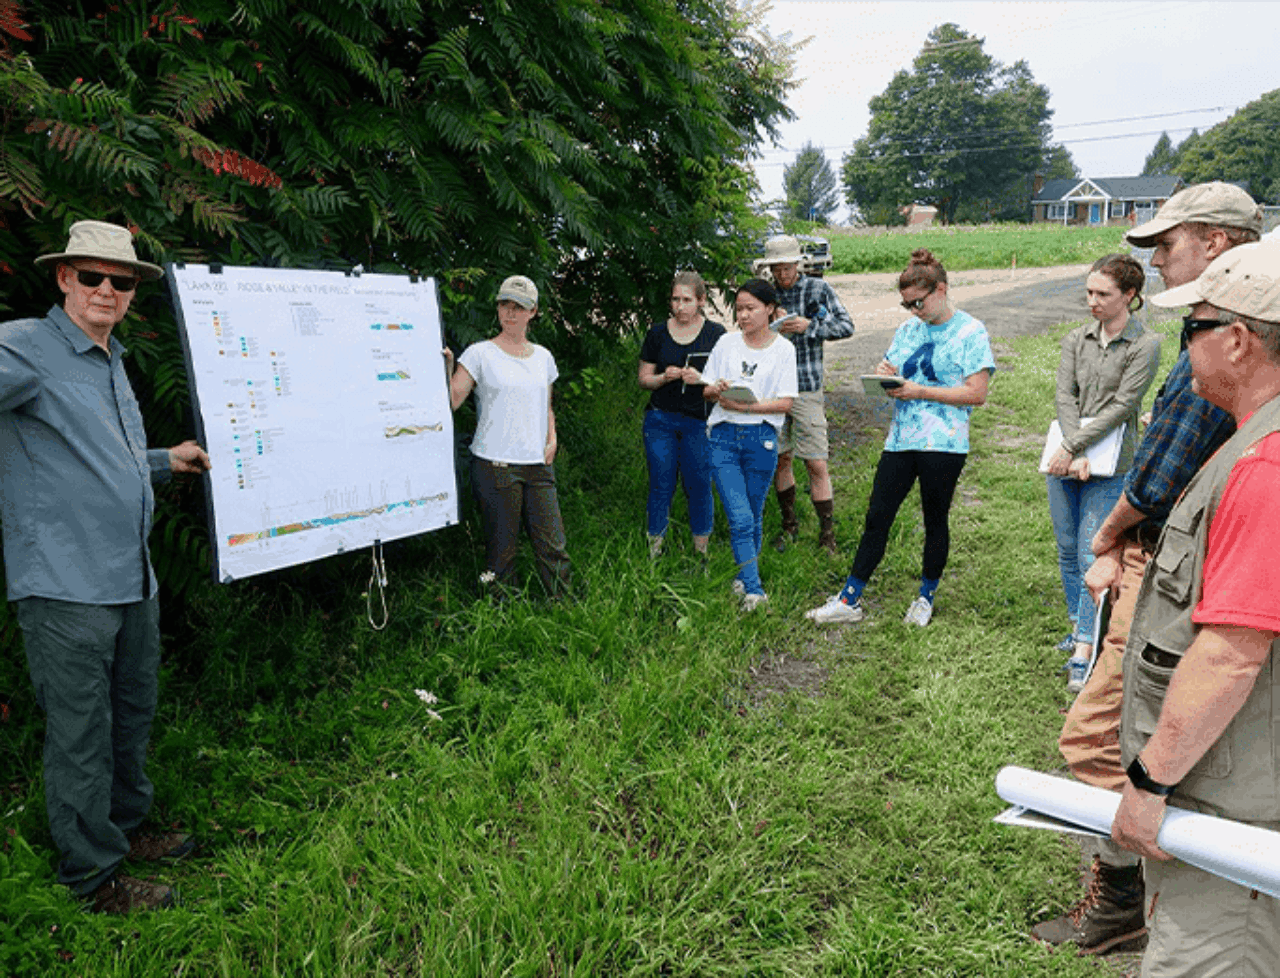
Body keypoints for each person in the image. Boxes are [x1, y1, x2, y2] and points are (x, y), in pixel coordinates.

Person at [1033, 182, 1260, 955]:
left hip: (1174, 570)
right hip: (1175, 559)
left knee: (1116, 740)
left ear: (1220, 244)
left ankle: (1140, 897)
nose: (1157, 260)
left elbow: (1161, 475)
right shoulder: (1231, 335)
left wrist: (1111, 539)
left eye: (1168, 244)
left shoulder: (1231, 338)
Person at [1, 220, 211, 913]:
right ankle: (92, 877)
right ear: (63, 277)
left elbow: (102, 459)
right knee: (82, 732)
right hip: (65, 586)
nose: (106, 290)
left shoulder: (111, 356)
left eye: (120, 281)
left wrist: (164, 460)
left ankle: (123, 828)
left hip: (130, 579)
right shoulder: (25, 346)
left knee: (130, 712)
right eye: (91, 276)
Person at [1108, 239, 1280, 976]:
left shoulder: (1265, 466)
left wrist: (1149, 785)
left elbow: (1231, 652)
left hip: (1231, 816)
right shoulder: (1251, 443)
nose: (1186, 351)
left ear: (1238, 341)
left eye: (1194, 329)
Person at [806, 249, 993, 627]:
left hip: (943, 442)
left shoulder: (971, 331)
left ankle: (926, 596)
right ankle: (849, 598)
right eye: (906, 304)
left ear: (941, 289)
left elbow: (976, 393)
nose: (913, 311)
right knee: (877, 516)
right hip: (902, 438)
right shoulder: (908, 330)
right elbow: (895, 370)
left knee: (934, 518)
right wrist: (884, 373)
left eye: (918, 302)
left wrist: (918, 391)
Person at [1045, 254, 1161, 689]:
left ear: (1130, 296)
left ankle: (1086, 647)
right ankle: (1080, 626)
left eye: (1103, 294)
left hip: (1110, 459)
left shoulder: (1145, 345)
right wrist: (1072, 449)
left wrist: (1075, 446)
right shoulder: (1077, 338)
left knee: (1091, 550)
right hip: (1065, 455)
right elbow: (1064, 396)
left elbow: (1123, 405)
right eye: (1089, 292)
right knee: (1065, 544)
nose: (1092, 300)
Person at [444, 275, 571, 597]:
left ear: (533, 312)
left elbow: (547, 405)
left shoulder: (544, 357)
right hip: (495, 464)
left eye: (519, 307)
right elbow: (452, 401)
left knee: (553, 545)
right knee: (502, 552)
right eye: (504, 305)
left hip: (538, 464)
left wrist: (552, 438)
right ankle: (503, 618)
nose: (510, 313)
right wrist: (446, 368)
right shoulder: (479, 353)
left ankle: (566, 608)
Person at [699, 278, 797, 611]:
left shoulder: (784, 349)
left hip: (762, 439)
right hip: (723, 436)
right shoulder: (726, 343)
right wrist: (718, 389)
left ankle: (742, 578)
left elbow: (785, 403)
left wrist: (746, 407)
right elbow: (706, 389)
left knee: (753, 515)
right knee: (740, 518)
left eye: (750, 308)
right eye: (739, 309)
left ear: (770, 309)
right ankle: (755, 591)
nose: (743, 315)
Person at [755, 235, 855, 554]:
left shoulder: (818, 289)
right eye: (777, 269)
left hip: (806, 387)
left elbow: (846, 326)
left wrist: (808, 326)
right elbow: (747, 333)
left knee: (816, 461)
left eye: (787, 267)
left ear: (798, 263)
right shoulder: (765, 294)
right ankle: (789, 525)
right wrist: (769, 324)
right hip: (772, 388)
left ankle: (827, 534)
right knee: (780, 457)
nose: (783, 275)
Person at [637, 271, 725, 558]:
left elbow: (724, 384)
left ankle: (702, 553)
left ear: (701, 301)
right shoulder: (658, 333)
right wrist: (664, 377)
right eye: (675, 299)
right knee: (661, 483)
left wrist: (701, 380)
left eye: (687, 300)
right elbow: (643, 379)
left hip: (699, 421)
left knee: (699, 484)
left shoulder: (716, 334)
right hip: (660, 418)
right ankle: (654, 553)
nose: (680, 306)